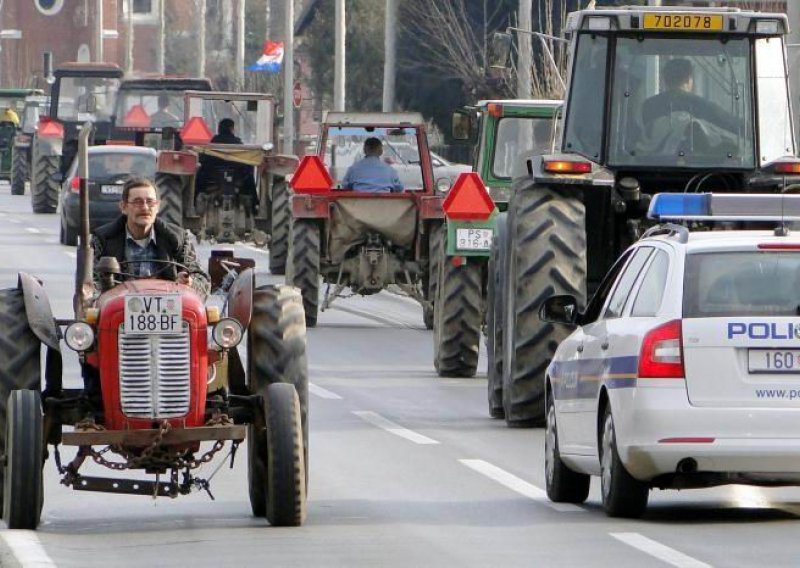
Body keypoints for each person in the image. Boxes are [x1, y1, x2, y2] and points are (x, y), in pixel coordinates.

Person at [91, 177, 210, 296]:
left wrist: (189, 282)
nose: (145, 208)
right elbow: (90, 285)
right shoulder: (103, 239)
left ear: (158, 206)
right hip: (118, 309)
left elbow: (202, 281)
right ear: (123, 207)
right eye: (137, 202)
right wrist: (105, 286)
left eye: (150, 202)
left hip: (169, 309)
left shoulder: (177, 238)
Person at [642, 58, 739, 138]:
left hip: (653, 160)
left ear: (665, 80)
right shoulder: (700, 105)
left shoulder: (648, 105)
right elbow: (730, 123)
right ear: (689, 79)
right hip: (697, 160)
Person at [196, 119, 258, 212]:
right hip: (236, 179)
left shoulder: (212, 143)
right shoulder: (238, 144)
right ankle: (254, 205)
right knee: (249, 172)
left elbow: (204, 160)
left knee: (199, 173)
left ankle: (193, 203)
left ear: (219, 129)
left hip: (212, 180)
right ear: (231, 128)